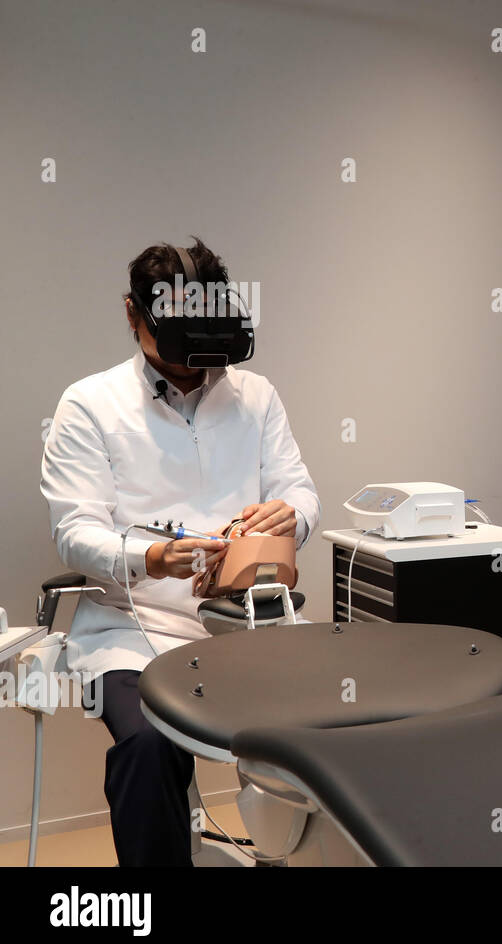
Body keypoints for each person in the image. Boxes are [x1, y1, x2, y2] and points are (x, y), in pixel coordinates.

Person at [40, 239, 320, 866]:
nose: (193, 371)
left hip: (243, 624)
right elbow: (74, 530)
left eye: (204, 354)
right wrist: (153, 559)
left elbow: (297, 487)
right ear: (135, 318)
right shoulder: (89, 405)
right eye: (178, 353)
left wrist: (292, 515)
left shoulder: (257, 397)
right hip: (130, 629)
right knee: (147, 748)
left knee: (319, 727)